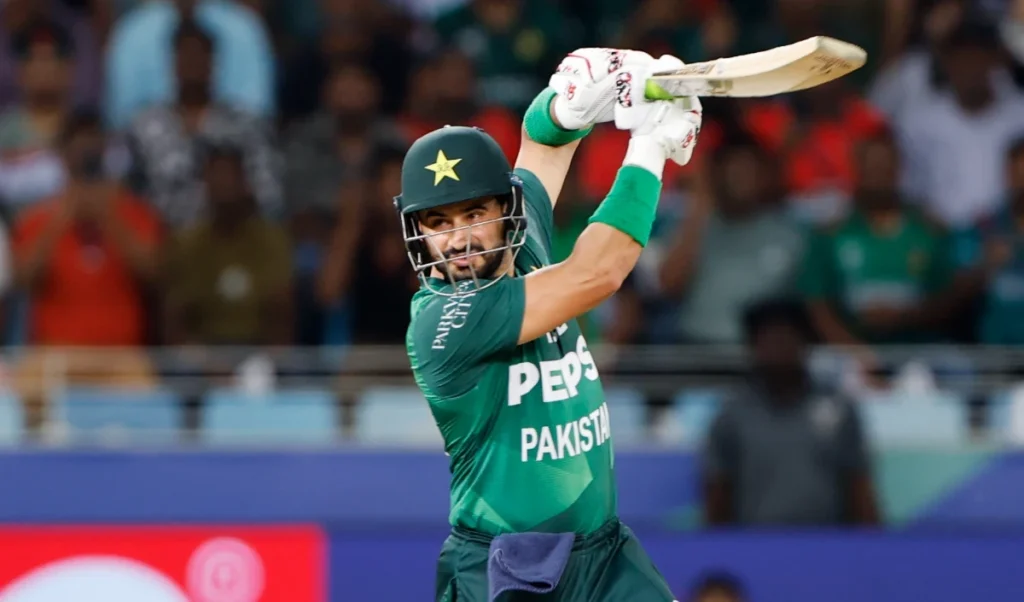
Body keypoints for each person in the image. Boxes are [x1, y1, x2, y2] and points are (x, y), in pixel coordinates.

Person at [398, 48, 701, 602]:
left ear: (508, 212)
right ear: (418, 233)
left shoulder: (525, 246)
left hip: (604, 552)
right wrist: (650, 146)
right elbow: (598, 272)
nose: (460, 240)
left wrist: (571, 105)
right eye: (438, 222)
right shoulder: (445, 321)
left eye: (475, 214)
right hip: (502, 565)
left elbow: (543, 145)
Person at [702, 298, 879, 527]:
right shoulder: (732, 416)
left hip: (827, 543)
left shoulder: (839, 408)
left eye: (786, 337)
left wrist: (873, 544)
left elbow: (858, 485)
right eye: (768, 339)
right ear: (753, 347)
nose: (778, 347)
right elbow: (718, 493)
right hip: (755, 544)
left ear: (805, 343)